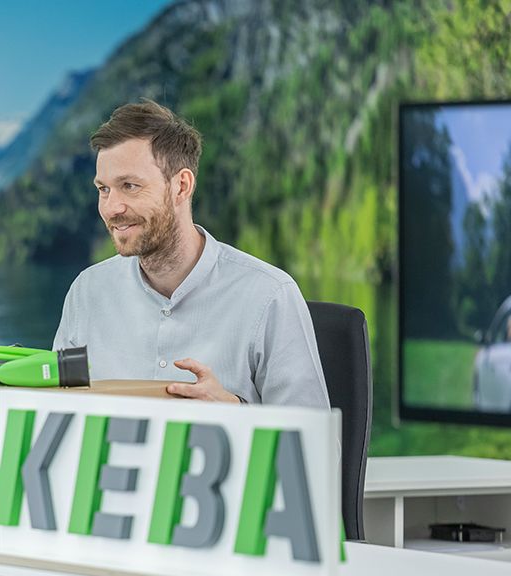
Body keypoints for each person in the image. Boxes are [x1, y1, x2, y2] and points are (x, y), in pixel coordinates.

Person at [53, 100, 330, 408]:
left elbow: (316, 448)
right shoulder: (87, 292)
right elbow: (56, 416)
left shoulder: (269, 296)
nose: (112, 208)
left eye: (129, 186)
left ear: (181, 186)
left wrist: (236, 413)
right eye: (103, 189)